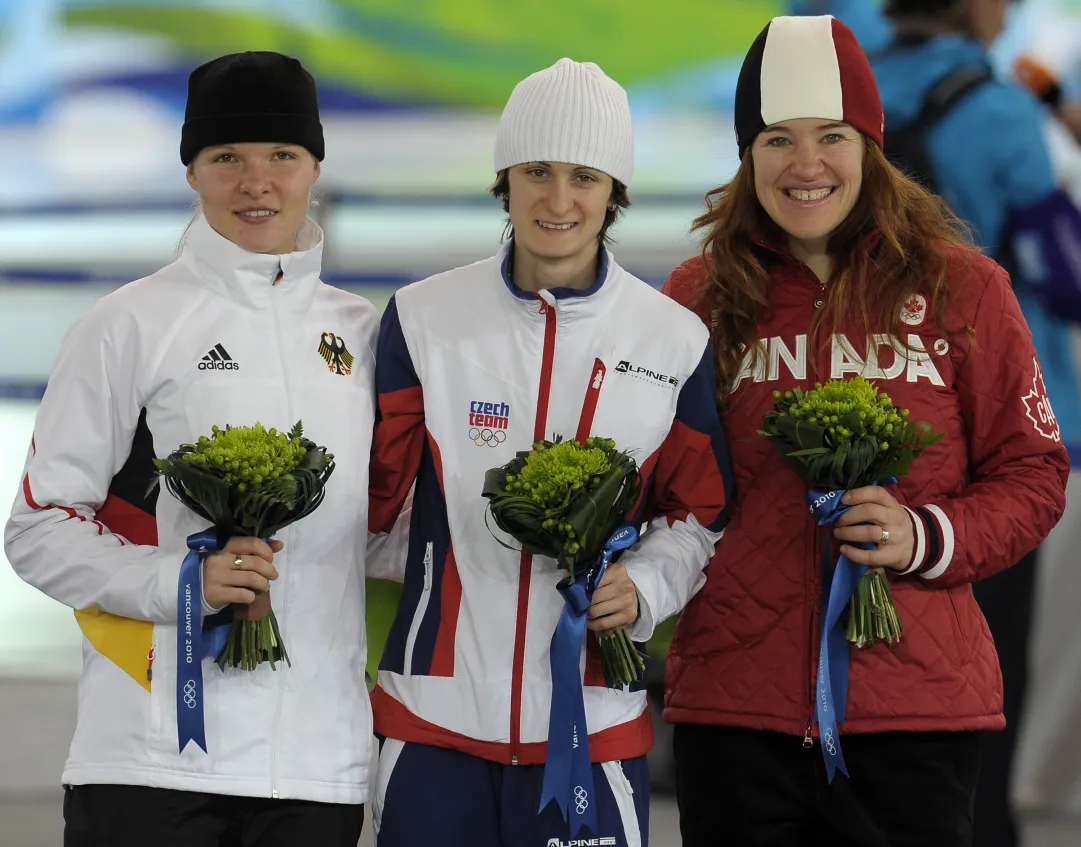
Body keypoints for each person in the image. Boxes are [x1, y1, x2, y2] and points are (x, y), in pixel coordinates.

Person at [660, 15, 1069, 847]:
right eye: (776, 138)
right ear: (745, 154)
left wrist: (927, 534)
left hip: (914, 715)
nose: (804, 165)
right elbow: (661, 481)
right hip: (736, 713)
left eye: (830, 136)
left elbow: (1032, 472)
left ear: (870, 144)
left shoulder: (964, 287)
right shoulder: (695, 297)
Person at [4, 51, 380, 846]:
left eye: (281, 155)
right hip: (150, 763)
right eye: (226, 158)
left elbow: (383, 528)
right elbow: (38, 526)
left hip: (316, 764)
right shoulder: (127, 324)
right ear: (192, 172)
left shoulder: (363, 335)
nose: (256, 181)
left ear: (315, 164)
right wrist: (178, 583)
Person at [366, 57, 732, 847]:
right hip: (434, 722)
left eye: (584, 176)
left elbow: (699, 516)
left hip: (592, 725)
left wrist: (643, 583)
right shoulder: (423, 320)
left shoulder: (671, 339)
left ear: (614, 192)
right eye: (536, 171)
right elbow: (373, 509)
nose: (558, 199)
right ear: (505, 178)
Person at [796, 2, 1081, 843]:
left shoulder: (858, 101)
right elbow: (1064, 280)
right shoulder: (999, 111)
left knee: (864, 665)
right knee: (982, 670)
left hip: (861, 421)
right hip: (994, 436)